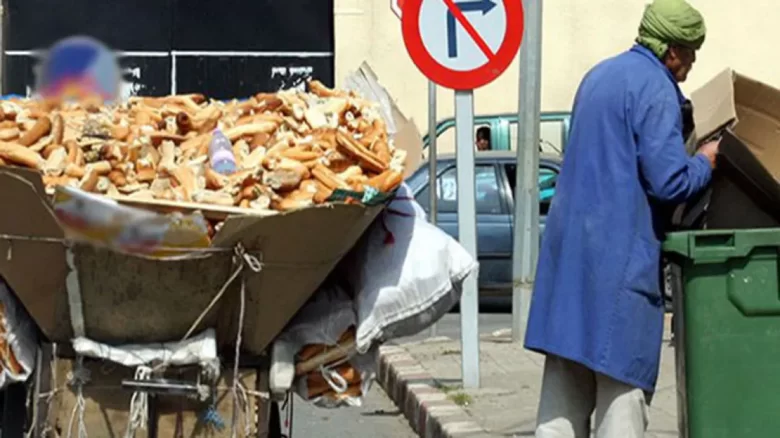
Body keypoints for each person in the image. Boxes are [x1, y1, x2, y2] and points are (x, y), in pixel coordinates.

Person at [524, 1, 719, 437]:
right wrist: (706, 161)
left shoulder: (598, 76)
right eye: (690, 52)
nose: (691, 63)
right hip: (619, 265)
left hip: (570, 264)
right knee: (621, 402)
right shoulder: (656, 89)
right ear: (671, 51)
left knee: (561, 405)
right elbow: (670, 182)